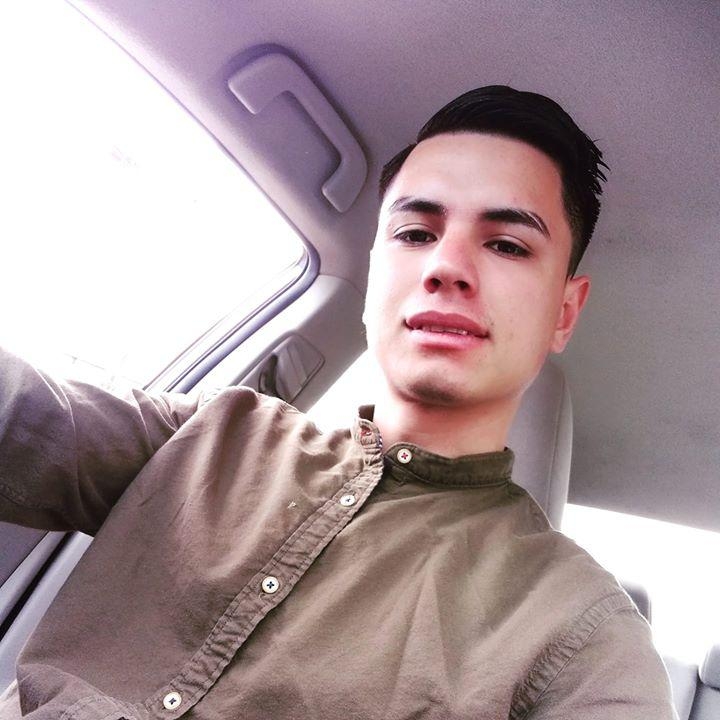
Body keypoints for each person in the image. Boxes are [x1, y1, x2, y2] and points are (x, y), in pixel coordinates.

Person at [0, 86, 675, 719]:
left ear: (564, 312)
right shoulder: (215, 429)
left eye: (506, 244)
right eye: (415, 234)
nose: (445, 266)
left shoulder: (583, 633)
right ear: (377, 268)